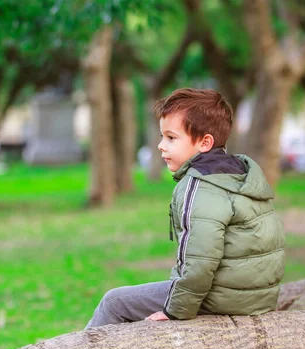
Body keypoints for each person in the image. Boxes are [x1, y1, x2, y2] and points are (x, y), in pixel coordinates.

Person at [85, 88, 285, 328]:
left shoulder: (200, 184)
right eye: (162, 137)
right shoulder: (240, 174)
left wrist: (175, 310)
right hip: (256, 298)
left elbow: (199, 262)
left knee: (114, 302)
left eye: (171, 138)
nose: (160, 145)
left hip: (221, 298)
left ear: (205, 142)